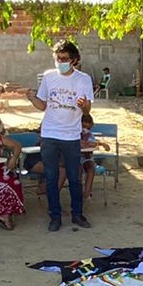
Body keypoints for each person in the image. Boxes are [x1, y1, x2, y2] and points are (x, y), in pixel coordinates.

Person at [27, 39, 95, 231]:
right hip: (49, 134)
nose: (60, 62)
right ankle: (54, 217)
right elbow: (42, 105)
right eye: (57, 58)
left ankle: (77, 214)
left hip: (71, 135)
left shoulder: (83, 79)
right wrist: (32, 98)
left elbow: (88, 109)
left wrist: (84, 105)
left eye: (64, 58)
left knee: (74, 177)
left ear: (74, 60)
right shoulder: (49, 77)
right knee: (51, 177)